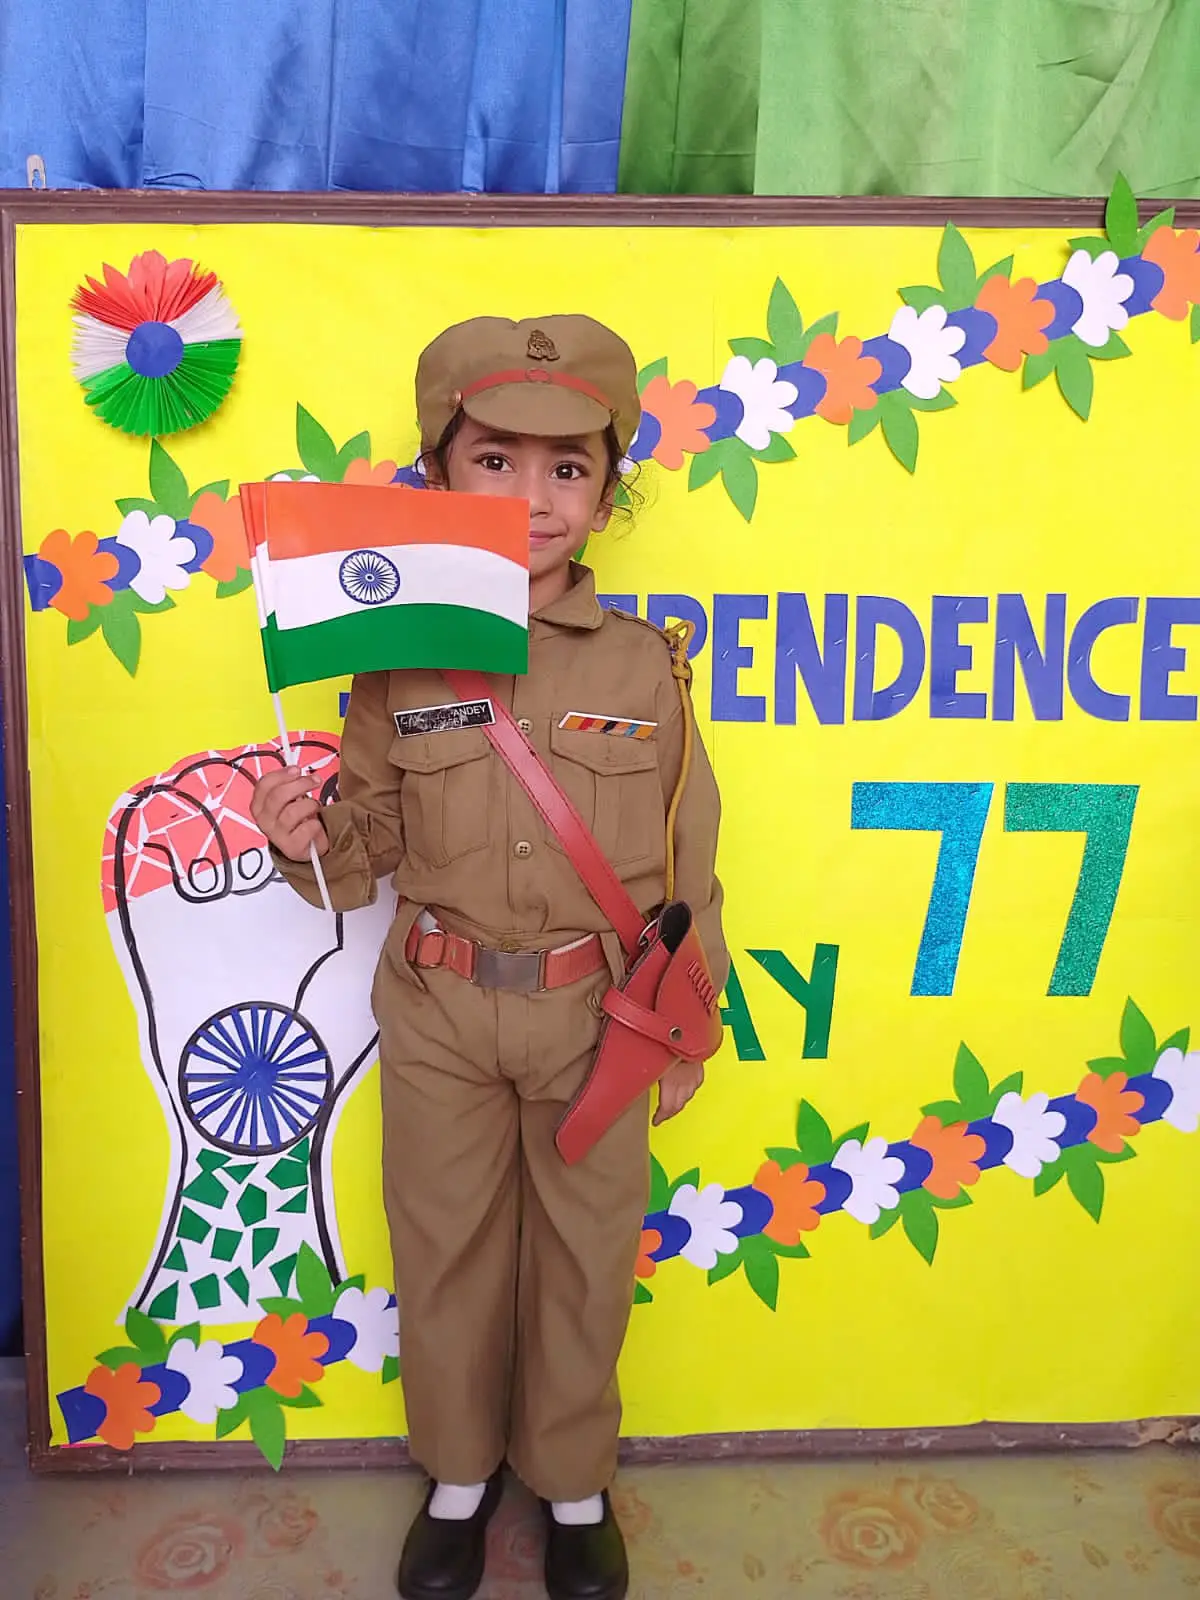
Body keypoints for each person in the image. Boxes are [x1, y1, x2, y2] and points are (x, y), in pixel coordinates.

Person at [250, 314, 727, 1600]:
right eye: (495, 460)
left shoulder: (648, 665)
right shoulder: (394, 664)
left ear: (609, 493)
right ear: (440, 478)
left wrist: (688, 1027)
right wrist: (305, 838)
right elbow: (365, 851)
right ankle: (458, 1477)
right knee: (445, 1250)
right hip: (440, 1010)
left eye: (569, 468)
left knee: (585, 1255)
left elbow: (687, 861)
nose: (533, 497)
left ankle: (572, 1484)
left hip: (595, 1020)